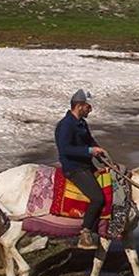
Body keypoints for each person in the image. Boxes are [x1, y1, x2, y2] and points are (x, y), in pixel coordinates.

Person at [55, 89, 107, 250]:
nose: (89, 110)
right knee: (98, 198)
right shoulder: (66, 125)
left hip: (86, 165)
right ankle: (85, 232)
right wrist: (89, 151)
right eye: (87, 107)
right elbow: (65, 149)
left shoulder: (81, 123)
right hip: (74, 169)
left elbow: (89, 140)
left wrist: (98, 150)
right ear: (79, 106)